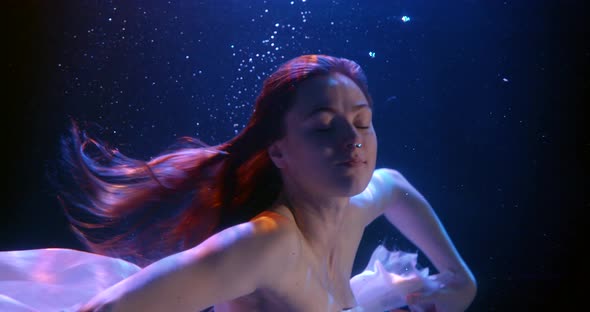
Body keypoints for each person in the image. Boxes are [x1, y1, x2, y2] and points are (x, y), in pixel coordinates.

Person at [0, 54, 476, 312]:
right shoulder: (266, 244)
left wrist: (462, 279)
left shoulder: (363, 201)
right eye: (323, 125)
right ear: (279, 151)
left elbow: (396, 185)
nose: (352, 139)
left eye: (363, 120)